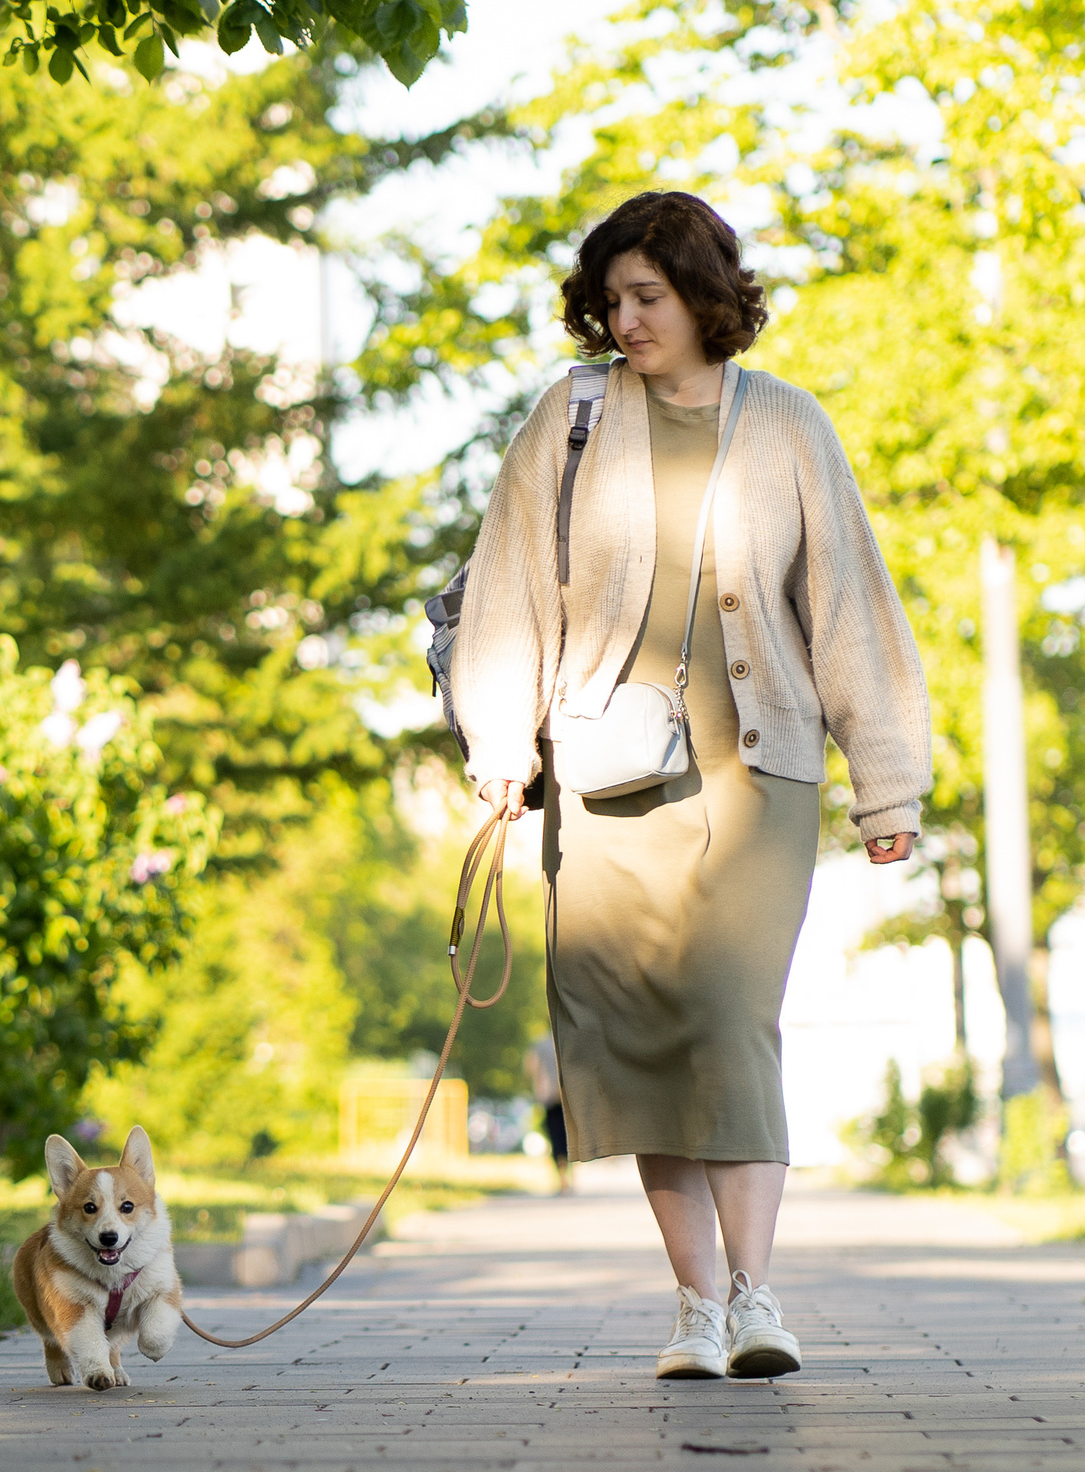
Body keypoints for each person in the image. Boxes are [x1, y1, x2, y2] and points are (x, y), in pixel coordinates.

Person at [452, 191, 930, 1381]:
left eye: (646, 298)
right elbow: (506, 585)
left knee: (726, 1015)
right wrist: (500, 741)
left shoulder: (789, 426)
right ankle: (695, 1305)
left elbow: (850, 606)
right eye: (608, 301)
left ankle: (758, 1293)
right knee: (645, 1039)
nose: (623, 320)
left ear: (704, 295)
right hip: (606, 778)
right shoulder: (567, 419)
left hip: (758, 772)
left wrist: (888, 786)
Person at [524, 1032, 572, 1194]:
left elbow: (530, 1067)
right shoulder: (569, 1040)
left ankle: (562, 1178)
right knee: (569, 1136)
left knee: (555, 1137)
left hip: (549, 1097)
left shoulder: (540, 1045)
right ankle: (569, 1175)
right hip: (568, 1097)